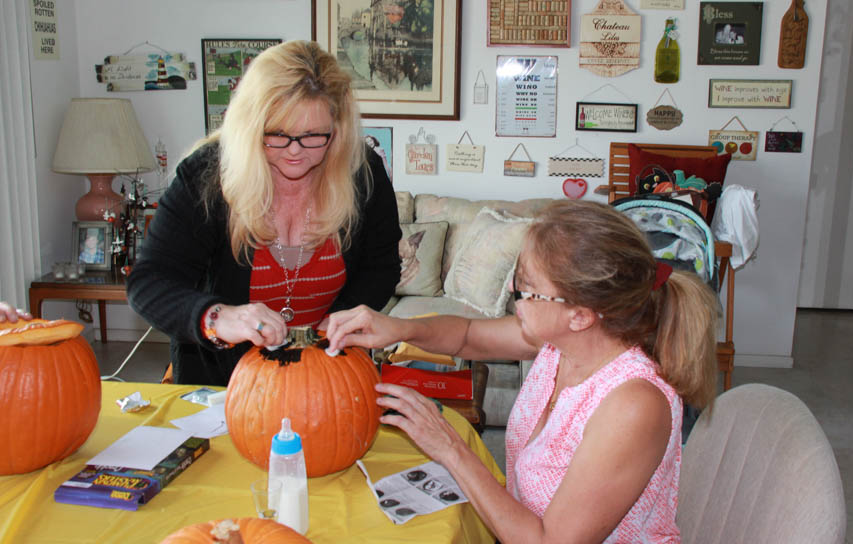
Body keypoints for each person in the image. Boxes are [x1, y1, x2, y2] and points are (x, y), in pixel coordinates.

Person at [326, 200, 719, 543]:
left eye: (527, 290)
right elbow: (466, 335)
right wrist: (397, 327)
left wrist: (450, 449)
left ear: (580, 315)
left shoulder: (633, 406)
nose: (513, 290)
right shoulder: (561, 344)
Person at [127, 40, 401, 386]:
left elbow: (382, 266)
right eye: (277, 134)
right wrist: (217, 317)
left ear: (339, 128)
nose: (295, 152)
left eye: (314, 136)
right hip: (221, 383)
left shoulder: (363, 174)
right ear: (251, 124)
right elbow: (148, 282)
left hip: (326, 374)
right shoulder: (206, 178)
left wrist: (339, 321)